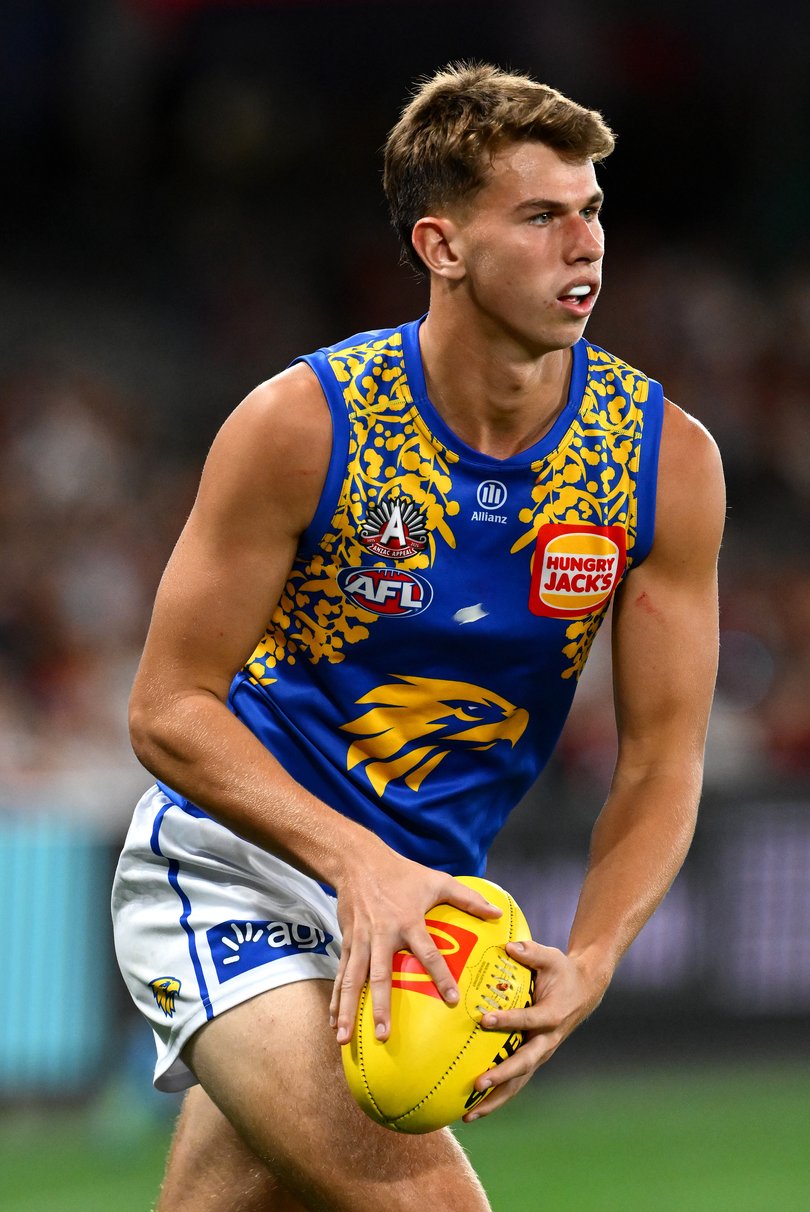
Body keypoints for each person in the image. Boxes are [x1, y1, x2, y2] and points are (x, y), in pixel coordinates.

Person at [112, 61, 725, 1211]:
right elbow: (166, 709)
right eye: (540, 216)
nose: (583, 244)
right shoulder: (303, 423)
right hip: (233, 871)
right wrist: (361, 865)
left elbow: (660, 763)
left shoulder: (664, 460)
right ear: (443, 247)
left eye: (590, 211)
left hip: (418, 916)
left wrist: (591, 960)